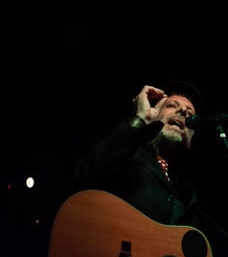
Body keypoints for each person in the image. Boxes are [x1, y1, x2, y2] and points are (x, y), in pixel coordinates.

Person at [74, 81, 204, 227]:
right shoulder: (124, 152)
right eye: (172, 105)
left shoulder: (187, 194)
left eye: (190, 114)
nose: (183, 112)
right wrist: (140, 119)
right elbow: (86, 175)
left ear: (190, 140)